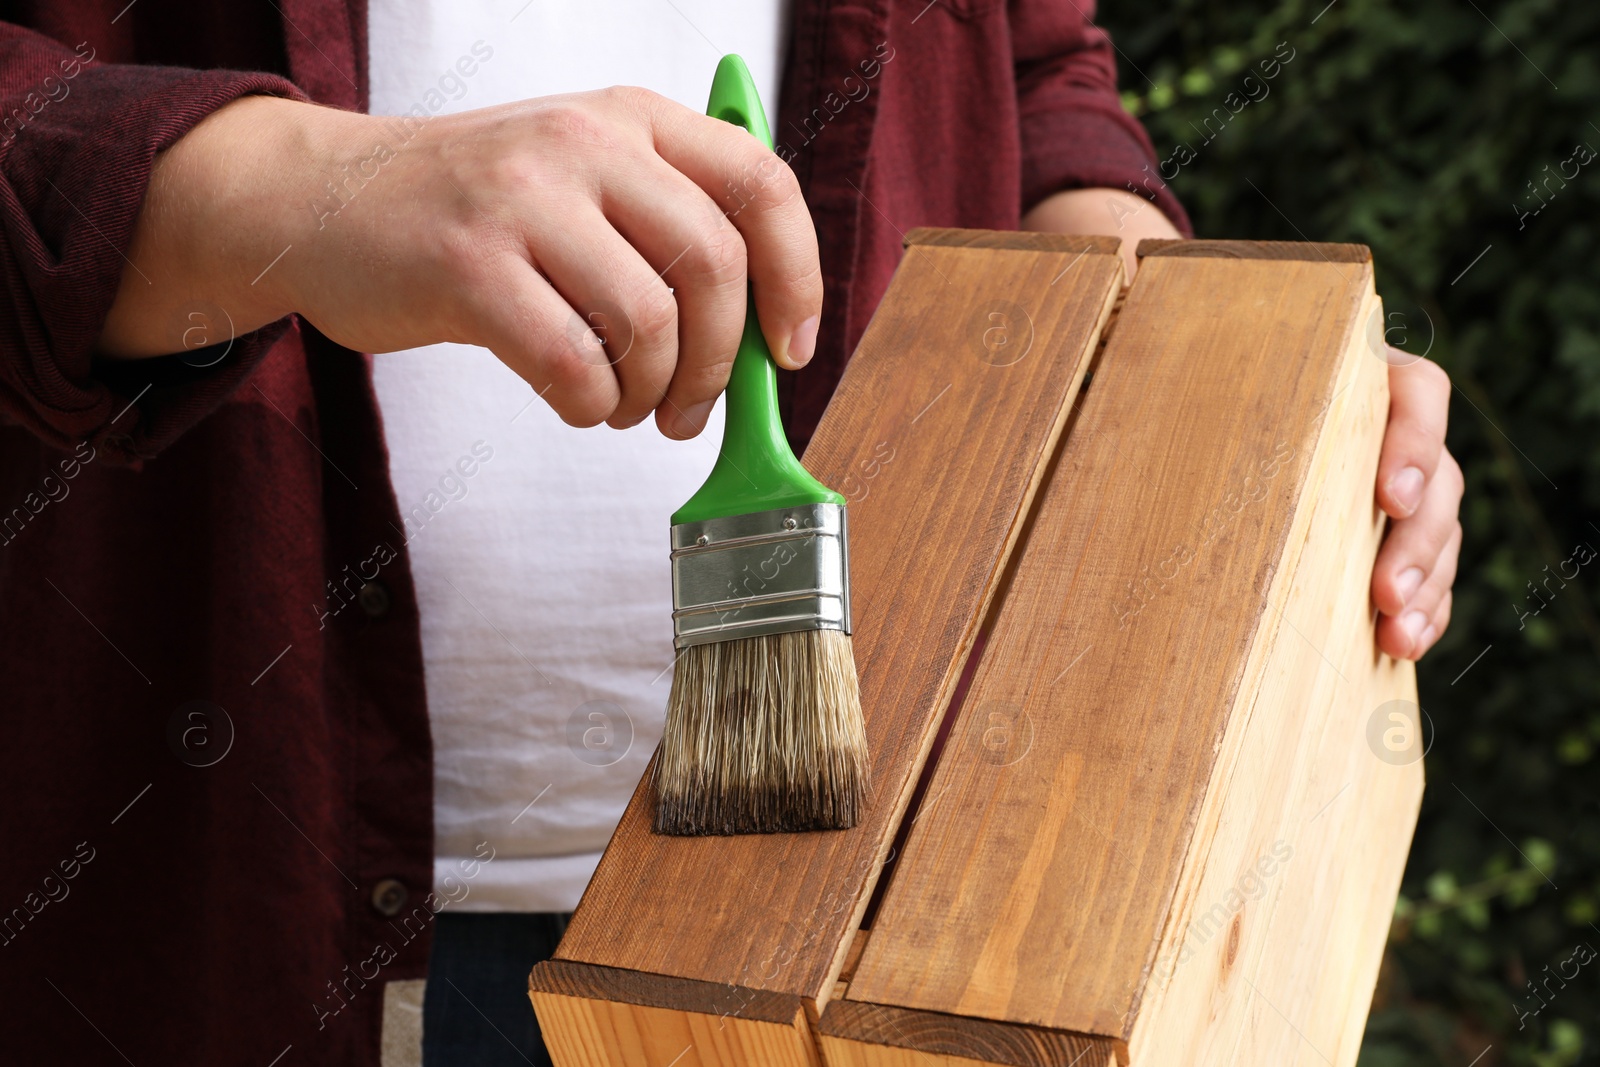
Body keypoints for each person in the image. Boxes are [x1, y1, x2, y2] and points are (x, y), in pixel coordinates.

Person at [0, 2, 1461, 1065]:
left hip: (877, 938)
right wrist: (299, 188)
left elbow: (1034, 74)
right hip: (224, 922)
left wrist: (1229, 370)